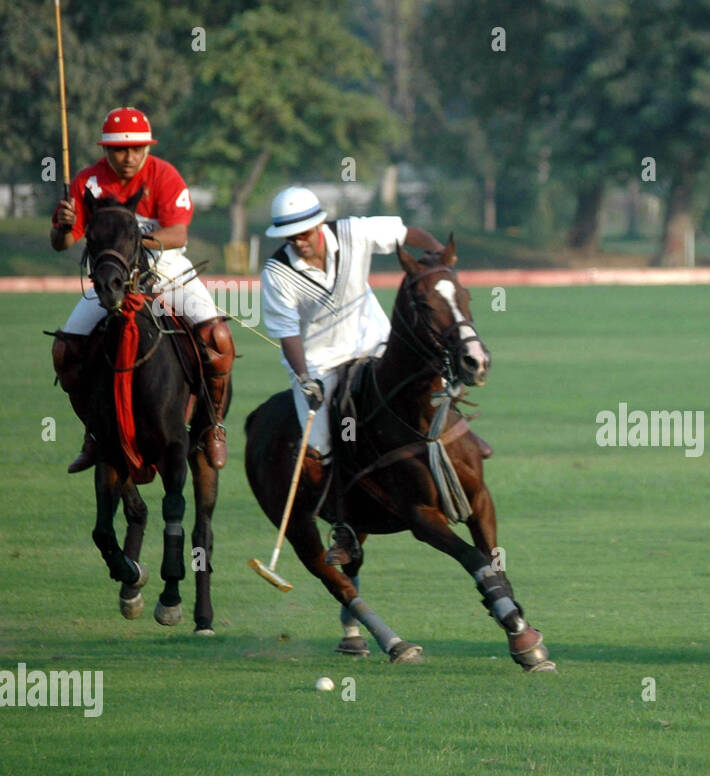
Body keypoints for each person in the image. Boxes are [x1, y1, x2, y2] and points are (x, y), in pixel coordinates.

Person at [259, 185, 445, 563]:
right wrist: (303, 379)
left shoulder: (353, 232)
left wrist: (437, 255)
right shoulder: (277, 273)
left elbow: (403, 233)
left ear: (320, 224)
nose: (300, 242)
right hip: (319, 364)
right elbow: (288, 333)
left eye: (305, 234)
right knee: (323, 445)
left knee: (425, 384)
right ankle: (344, 528)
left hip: (373, 343)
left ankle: (452, 460)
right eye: (291, 237)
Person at [50, 106, 233, 471]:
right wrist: (63, 226)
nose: (129, 157)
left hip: (167, 270)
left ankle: (212, 426)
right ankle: (94, 434)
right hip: (112, 278)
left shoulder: (163, 175)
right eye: (119, 150)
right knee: (64, 351)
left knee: (219, 339)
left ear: (147, 148)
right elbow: (63, 241)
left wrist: (130, 242)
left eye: (137, 148)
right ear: (106, 151)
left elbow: (178, 233)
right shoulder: (88, 183)